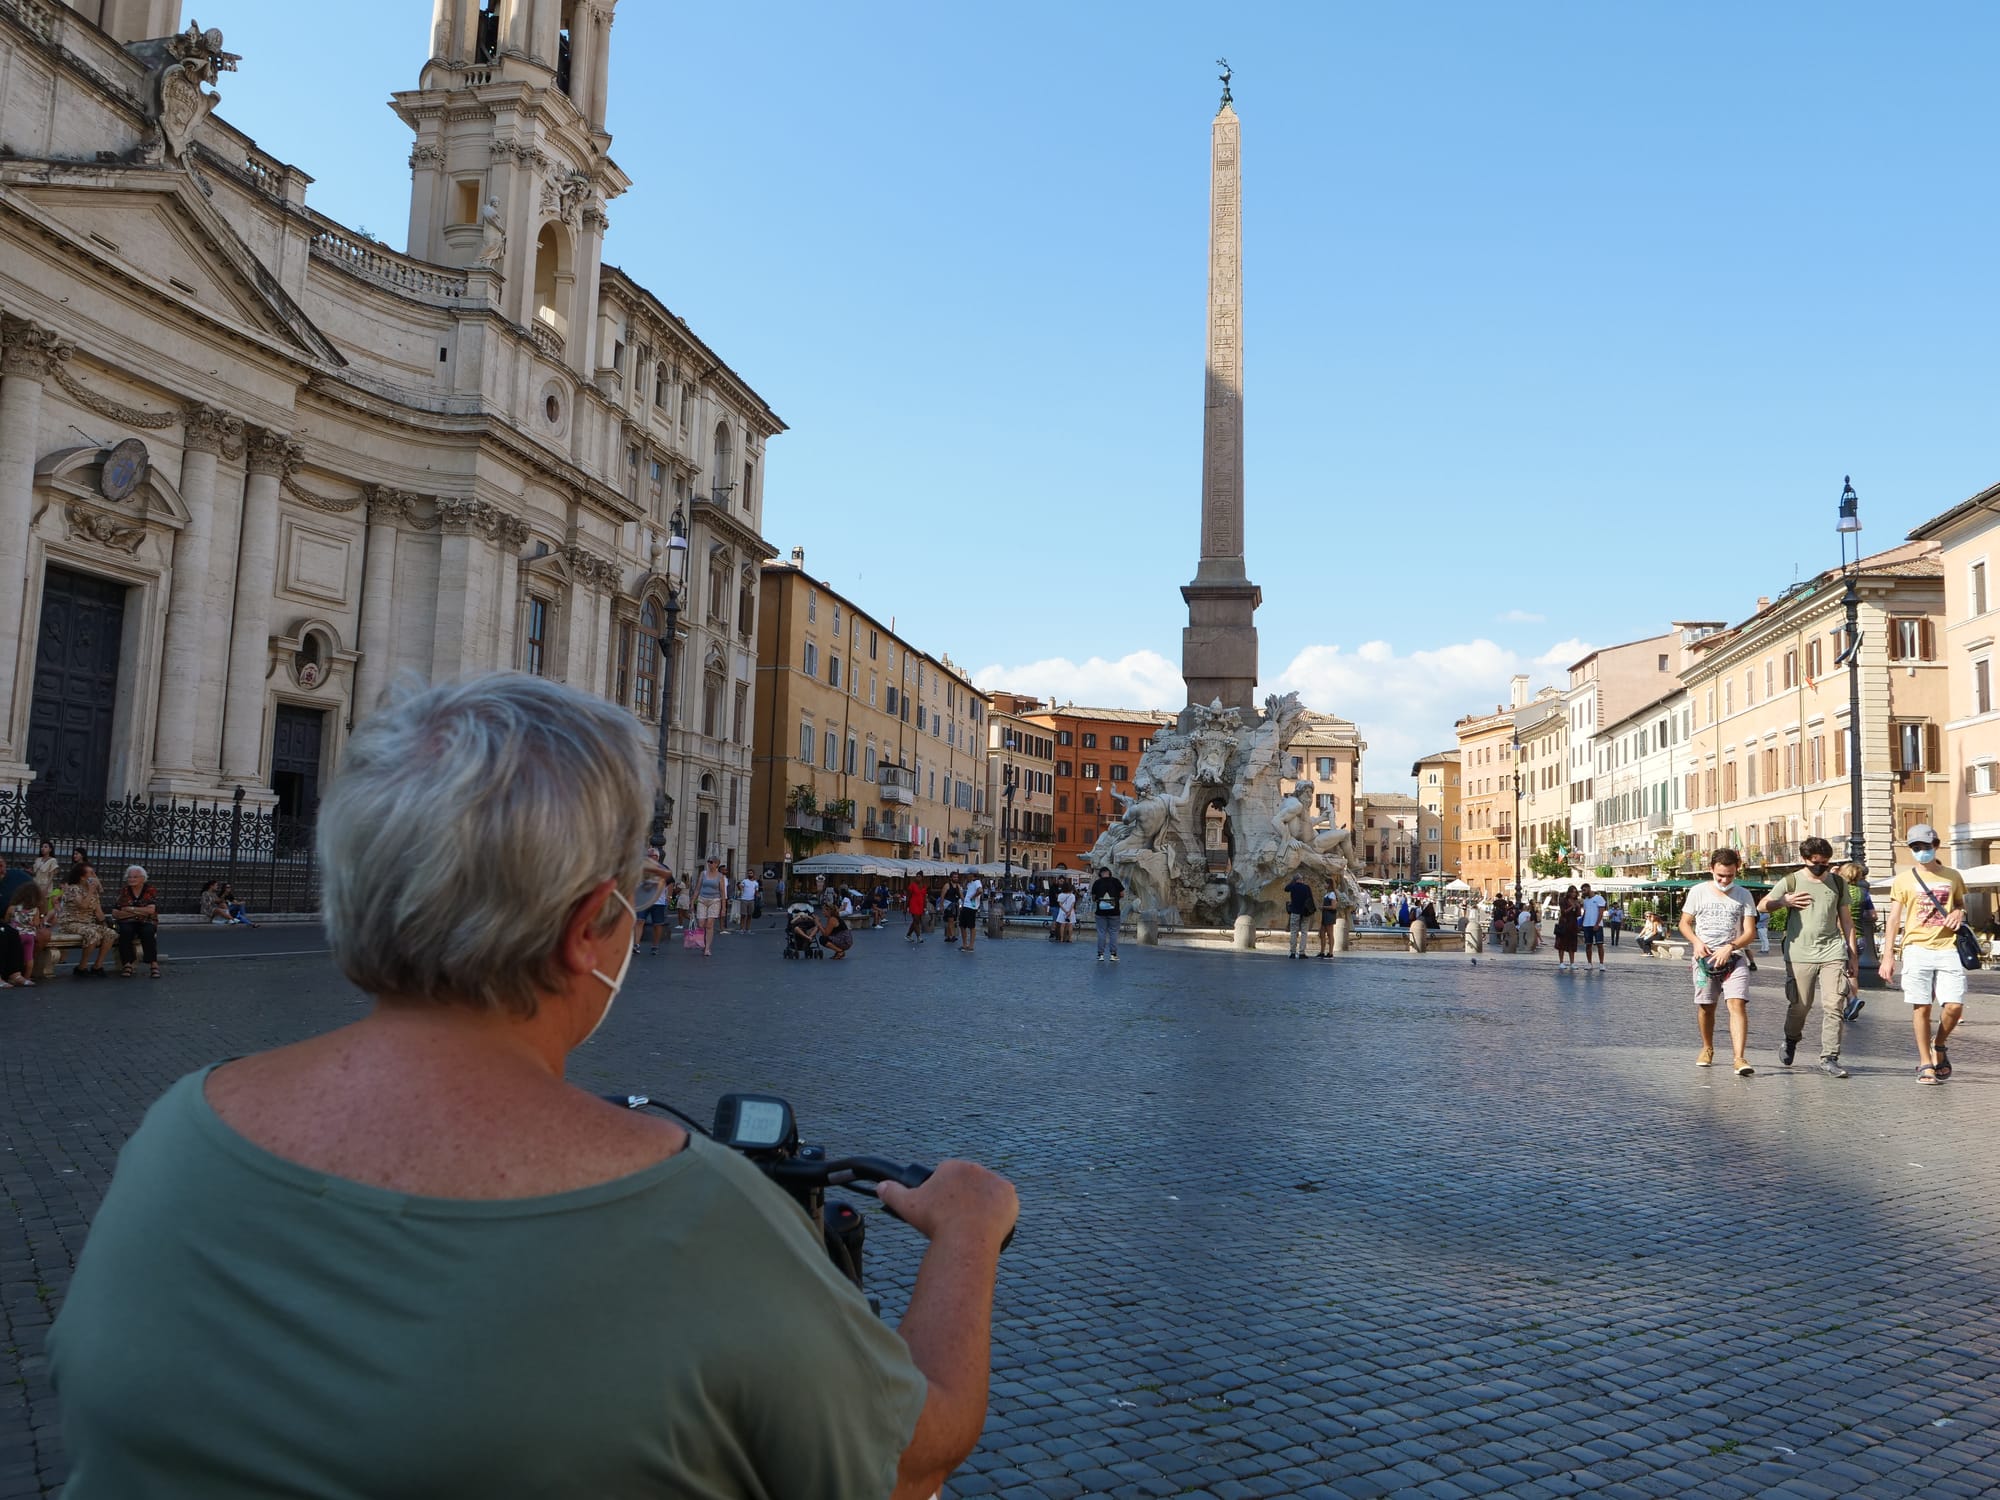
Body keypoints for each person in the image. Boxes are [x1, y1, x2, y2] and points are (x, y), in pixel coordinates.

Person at [46, 674, 1017, 1499]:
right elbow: (910, 1453)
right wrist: (967, 1230)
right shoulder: (688, 1217)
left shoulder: (175, 1127)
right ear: (589, 924)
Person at [1879, 823, 1969, 1086]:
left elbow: (1961, 904)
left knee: (1954, 1005)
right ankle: (1925, 1062)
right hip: (1916, 948)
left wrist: (1958, 912)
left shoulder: (1952, 876)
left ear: (1936, 846)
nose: (1921, 852)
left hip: (1947, 947)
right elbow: (1894, 919)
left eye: (1925, 847)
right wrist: (1888, 956)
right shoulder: (1904, 879)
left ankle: (1938, 1044)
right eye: (1915, 848)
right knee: (1922, 1007)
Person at [1760, 836, 1856, 1079]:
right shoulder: (1791, 880)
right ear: (1804, 860)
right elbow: (1762, 905)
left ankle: (1829, 1057)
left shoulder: (1838, 883)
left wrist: (1852, 954)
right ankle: (1791, 1039)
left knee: (1835, 1003)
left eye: (1825, 863)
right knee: (1800, 1005)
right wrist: (1783, 901)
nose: (1820, 867)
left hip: (1832, 950)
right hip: (1799, 952)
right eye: (1815, 863)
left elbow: (1846, 920)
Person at [1679, 849, 1758, 1075]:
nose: (1725, 880)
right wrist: (1695, 942)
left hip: (1735, 957)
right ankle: (1707, 1047)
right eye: (1720, 875)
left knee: (1737, 1003)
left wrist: (1731, 947)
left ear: (1737, 870)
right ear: (1711, 869)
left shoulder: (1744, 895)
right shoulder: (1698, 892)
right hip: (1704, 958)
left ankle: (1739, 1058)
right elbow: (1684, 923)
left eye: (1730, 876)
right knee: (1706, 1006)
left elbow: (1750, 932)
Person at [55, 863, 116, 978]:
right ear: (82, 877)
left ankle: (97, 966)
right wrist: (91, 891)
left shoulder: (94, 892)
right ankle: (81, 967)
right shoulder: (73, 889)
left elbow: (98, 912)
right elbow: (83, 905)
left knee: (110, 934)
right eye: (91, 873)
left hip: (87, 923)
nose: (94, 875)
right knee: (92, 934)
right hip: (70, 923)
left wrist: (106, 924)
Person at [109, 865, 161, 979]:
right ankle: (127, 964)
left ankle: (153, 964)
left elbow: (151, 910)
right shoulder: (124, 891)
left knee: (148, 931)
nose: (131, 879)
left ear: (143, 878)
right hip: (127, 921)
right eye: (129, 877)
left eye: (135, 877)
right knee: (125, 931)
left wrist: (130, 909)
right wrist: (140, 911)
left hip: (147, 921)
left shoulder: (150, 890)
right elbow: (115, 912)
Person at [7, 882, 48, 982]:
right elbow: (36, 923)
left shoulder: (12, 908)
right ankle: (27, 978)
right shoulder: (35, 910)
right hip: (29, 936)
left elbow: (6, 920)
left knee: (14, 956)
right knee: (29, 958)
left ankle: (14, 976)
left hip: (16, 936)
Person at [634, 849, 672, 957]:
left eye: (652, 855)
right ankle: (636, 945)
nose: (649, 857)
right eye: (648, 855)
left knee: (657, 924)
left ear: (657, 857)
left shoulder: (663, 868)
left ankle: (655, 945)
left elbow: (670, 883)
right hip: (643, 900)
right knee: (639, 921)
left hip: (658, 901)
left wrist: (669, 896)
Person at [1089, 866, 1124, 963]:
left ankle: (1100, 955)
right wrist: (1115, 901)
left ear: (1100, 874)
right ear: (1109, 873)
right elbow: (1122, 894)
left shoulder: (1097, 882)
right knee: (1113, 933)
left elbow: (1093, 897)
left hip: (1100, 912)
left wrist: (1099, 900)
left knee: (1101, 932)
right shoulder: (1116, 881)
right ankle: (1113, 955)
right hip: (1114, 912)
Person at [694, 857, 725, 957]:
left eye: (711, 862)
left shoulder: (720, 876)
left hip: (715, 900)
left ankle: (707, 948)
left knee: (709, 924)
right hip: (702, 899)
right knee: (701, 924)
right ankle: (703, 943)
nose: (709, 864)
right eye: (708, 862)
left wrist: (723, 908)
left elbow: (723, 892)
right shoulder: (703, 874)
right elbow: (698, 888)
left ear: (716, 864)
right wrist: (692, 901)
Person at [1284, 873, 1313, 958]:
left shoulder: (1293, 886)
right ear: (1301, 879)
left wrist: (1292, 882)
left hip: (1295, 912)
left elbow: (1286, 889)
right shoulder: (1306, 887)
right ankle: (1302, 953)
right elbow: (1310, 899)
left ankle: (1292, 952)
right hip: (1305, 912)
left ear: (1295, 880)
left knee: (1293, 932)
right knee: (1304, 932)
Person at [1578, 884, 1607, 970]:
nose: (1583, 892)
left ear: (1589, 888)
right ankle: (1589, 963)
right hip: (1587, 925)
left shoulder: (1599, 898)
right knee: (1588, 945)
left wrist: (1597, 924)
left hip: (1597, 925)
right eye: (1582, 890)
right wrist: (1581, 923)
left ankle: (1601, 964)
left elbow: (1601, 912)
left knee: (1599, 944)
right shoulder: (1586, 900)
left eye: (1584, 890)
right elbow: (1585, 912)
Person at [1553, 887, 1580, 971]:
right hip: (1564, 923)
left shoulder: (1576, 901)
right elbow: (1563, 912)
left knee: (1572, 944)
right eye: (1572, 892)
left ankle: (1572, 963)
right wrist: (1572, 907)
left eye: (1575, 892)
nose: (1574, 894)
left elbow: (1578, 914)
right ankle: (1561, 962)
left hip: (1573, 924)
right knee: (1562, 943)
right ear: (1569, 892)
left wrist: (1578, 907)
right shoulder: (1563, 900)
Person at [958, 875, 984, 953]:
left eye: (968, 876)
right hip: (965, 905)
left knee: (971, 926)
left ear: (972, 876)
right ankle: (965, 944)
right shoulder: (970, 883)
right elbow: (963, 888)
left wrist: (973, 897)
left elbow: (980, 890)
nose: (967, 877)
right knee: (962, 925)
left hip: (971, 907)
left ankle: (971, 945)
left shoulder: (977, 882)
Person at [1318, 883, 1340, 959]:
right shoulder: (1327, 894)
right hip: (1325, 915)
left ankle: (1330, 953)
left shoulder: (1332, 894)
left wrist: (1323, 907)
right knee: (1322, 934)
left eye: (1325, 883)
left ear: (1329, 884)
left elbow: (1333, 907)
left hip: (1329, 916)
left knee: (1330, 934)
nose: (1324, 884)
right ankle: (1322, 952)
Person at [905, 879, 928, 946]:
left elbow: (924, 897)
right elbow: (908, 896)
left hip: (920, 905)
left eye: (919, 876)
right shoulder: (912, 885)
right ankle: (919, 937)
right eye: (917, 876)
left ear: (922, 877)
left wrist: (925, 907)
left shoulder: (924, 886)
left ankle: (908, 935)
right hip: (913, 904)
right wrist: (906, 907)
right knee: (916, 920)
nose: (918, 878)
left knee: (916, 921)